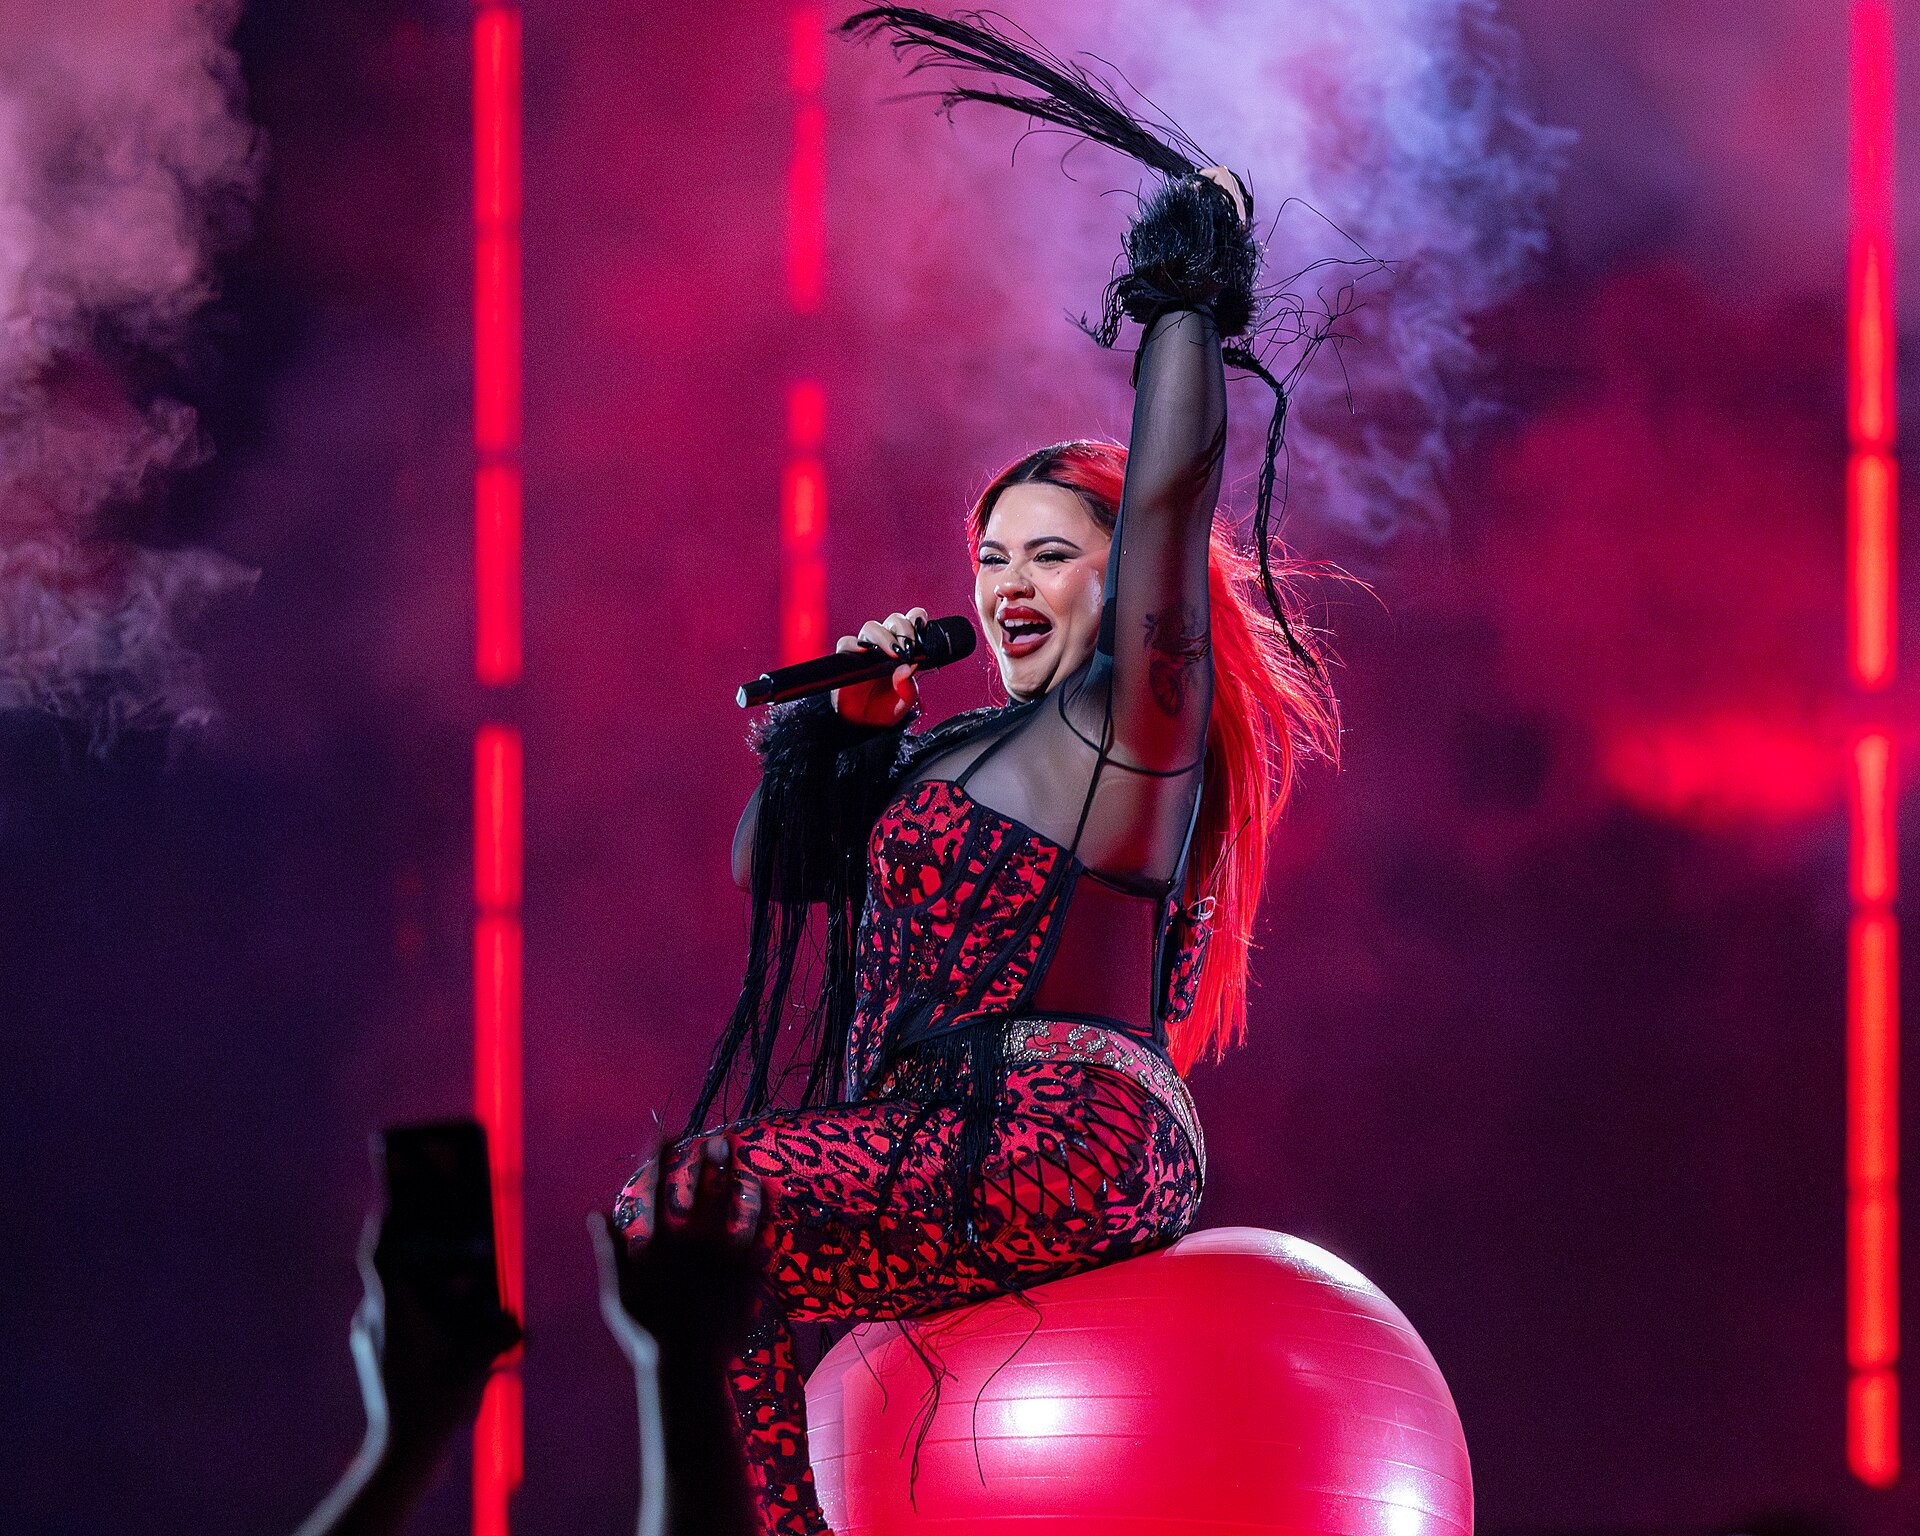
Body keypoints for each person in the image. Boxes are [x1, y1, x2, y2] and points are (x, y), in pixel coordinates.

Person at [616, 17, 1340, 1536]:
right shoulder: (950, 750)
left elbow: (1168, 506)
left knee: (689, 1204)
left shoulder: (1122, 738)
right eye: (988, 558)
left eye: (1049, 556)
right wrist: (862, 733)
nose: (1008, 583)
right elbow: (774, 868)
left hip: (1057, 1137)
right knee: (688, 1234)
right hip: (933, 1135)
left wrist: (1180, 320)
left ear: (1119, 587)